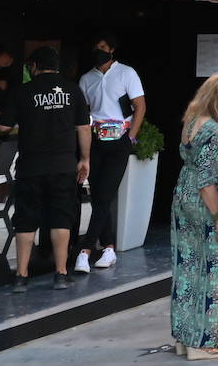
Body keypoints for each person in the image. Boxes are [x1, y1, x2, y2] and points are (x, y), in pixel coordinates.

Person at [0, 47, 91, 292]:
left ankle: (21, 275)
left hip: (30, 166)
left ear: (35, 66)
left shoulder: (23, 91)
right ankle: (60, 274)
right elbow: (83, 128)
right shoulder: (72, 90)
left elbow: (3, 127)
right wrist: (84, 159)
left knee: (26, 221)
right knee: (61, 218)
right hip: (62, 165)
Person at [171, 74, 218, 360]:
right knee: (209, 270)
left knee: (186, 268)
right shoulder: (215, 130)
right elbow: (207, 181)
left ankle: (183, 335)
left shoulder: (191, 121)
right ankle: (201, 341)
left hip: (182, 195)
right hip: (204, 203)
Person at [75, 32, 145, 274]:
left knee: (105, 194)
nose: (98, 50)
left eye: (102, 46)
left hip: (119, 139)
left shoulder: (127, 73)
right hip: (95, 139)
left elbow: (140, 106)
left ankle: (85, 251)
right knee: (98, 196)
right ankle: (108, 248)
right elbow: (83, 113)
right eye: (95, 46)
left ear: (112, 50)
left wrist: (131, 137)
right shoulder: (86, 79)